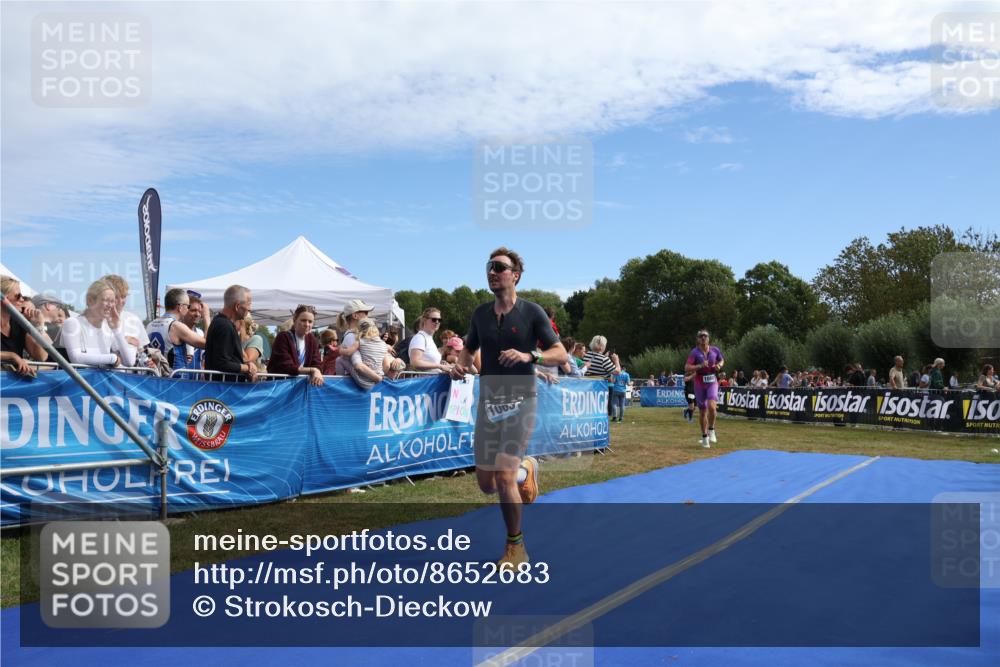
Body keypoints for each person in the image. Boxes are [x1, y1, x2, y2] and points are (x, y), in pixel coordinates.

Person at [449, 247, 566, 569]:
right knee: (486, 484)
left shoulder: (532, 312)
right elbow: (468, 348)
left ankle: (516, 547)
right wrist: (461, 365)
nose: (492, 272)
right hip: (488, 402)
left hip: (521, 400)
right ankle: (526, 469)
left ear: (515, 275)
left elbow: (561, 354)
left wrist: (531, 356)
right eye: (489, 266)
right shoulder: (480, 314)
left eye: (499, 267)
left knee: (502, 476)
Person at [61, 280, 135, 368]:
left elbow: (129, 362)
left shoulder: (108, 328)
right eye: (106, 300)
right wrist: (112, 359)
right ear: (90, 301)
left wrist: (116, 329)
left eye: (112, 301)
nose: (110, 305)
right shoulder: (73, 323)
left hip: (102, 380)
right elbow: (76, 358)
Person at [146, 288, 207, 372]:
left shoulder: (150, 325)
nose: (188, 309)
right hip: (175, 379)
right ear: (180, 307)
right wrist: (207, 317)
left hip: (156, 378)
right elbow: (206, 344)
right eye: (188, 306)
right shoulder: (176, 326)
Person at [205, 285, 257, 382]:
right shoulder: (224, 326)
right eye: (249, 304)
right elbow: (221, 363)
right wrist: (247, 368)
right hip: (224, 390)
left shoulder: (221, 323)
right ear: (237, 306)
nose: (250, 309)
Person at [1, 275, 50, 375]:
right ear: (4, 298)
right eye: (18, 296)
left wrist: (38, 326)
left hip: (13, 383)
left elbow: (41, 356)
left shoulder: (19, 323)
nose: (22, 299)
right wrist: (12, 356)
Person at [684, 329, 725, 448]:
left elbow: (722, 360)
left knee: (712, 406)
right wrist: (699, 365)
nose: (703, 338)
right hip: (699, 383)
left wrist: (719, 365)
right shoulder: (694, 352)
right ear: (698, 339)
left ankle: (712, 430)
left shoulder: (715, 350)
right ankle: (704, 437)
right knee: (702, 411)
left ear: (708, 338)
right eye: (701, 336)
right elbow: (686, 367)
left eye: (705, 336)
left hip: (712, 381)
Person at [268, 304, 324, 386]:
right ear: (295, 320)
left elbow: (317, 363)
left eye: (310, 321)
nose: (307, 324)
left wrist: (316, 370)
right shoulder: (283, 337)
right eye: (303, 320)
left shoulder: (312, 339)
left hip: (300, 387)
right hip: (280, 386)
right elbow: (286, 366)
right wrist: (312, 370)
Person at [101, 274, 149, 366]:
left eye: (123, 296)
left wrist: (140, 348)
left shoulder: (133, 319)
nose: (120, 301)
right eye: (116, 297)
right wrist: (125, 340)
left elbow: (144, 352)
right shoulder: (96, 320)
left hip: (130, 378)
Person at [348, 317, 396, 390]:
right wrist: (378, 373)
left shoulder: (359, 342)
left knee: (341, 360)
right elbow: (386, 365)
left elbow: (357, 365)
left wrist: (341, 349)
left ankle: (341, 381)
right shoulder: (383, 345)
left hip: (362, 381)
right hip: (376, 384)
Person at [409, 307, 453, 373]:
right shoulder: (420, 338)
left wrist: (441, 364)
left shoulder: (428, 338)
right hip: (425, 381)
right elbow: (415, 362)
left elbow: (428, 361)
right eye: (434, 319)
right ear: (424, 320)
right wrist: (439, 366)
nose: (437, 322)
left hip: (432, 380)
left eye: (439, 320)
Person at [335, 299, 373, 376]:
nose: (367, 315)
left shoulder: (355, 335)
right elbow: (361, 366)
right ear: (355, 316)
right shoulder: (351, 337)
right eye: (365, 312)